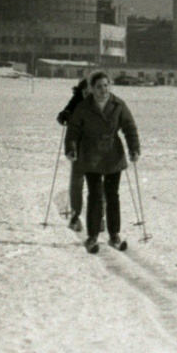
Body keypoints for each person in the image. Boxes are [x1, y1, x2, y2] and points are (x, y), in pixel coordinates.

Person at [65, 71, 141, 254]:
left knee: (112, 195)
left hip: (113, 154)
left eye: (106, 85)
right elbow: (73, 130)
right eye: (99, 86)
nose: (103, 90)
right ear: (92, 88)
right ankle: (92, 236)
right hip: (91, 154)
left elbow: (129, 127)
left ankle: (114, 234)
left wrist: (134, 148)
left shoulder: (118, 104)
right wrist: (71, 148)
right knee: (95, 195)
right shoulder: (84, 107)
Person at [57, 77, 92, 232]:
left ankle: (100, 216)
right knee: (77, 181)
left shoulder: (101, 101)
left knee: (98, 183)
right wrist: (64, 116)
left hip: (97, 148)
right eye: (84, 92)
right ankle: (76, 215)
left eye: (90, 92)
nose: (87, 95)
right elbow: (66, 112)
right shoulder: (76, 100)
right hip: (78, 147)